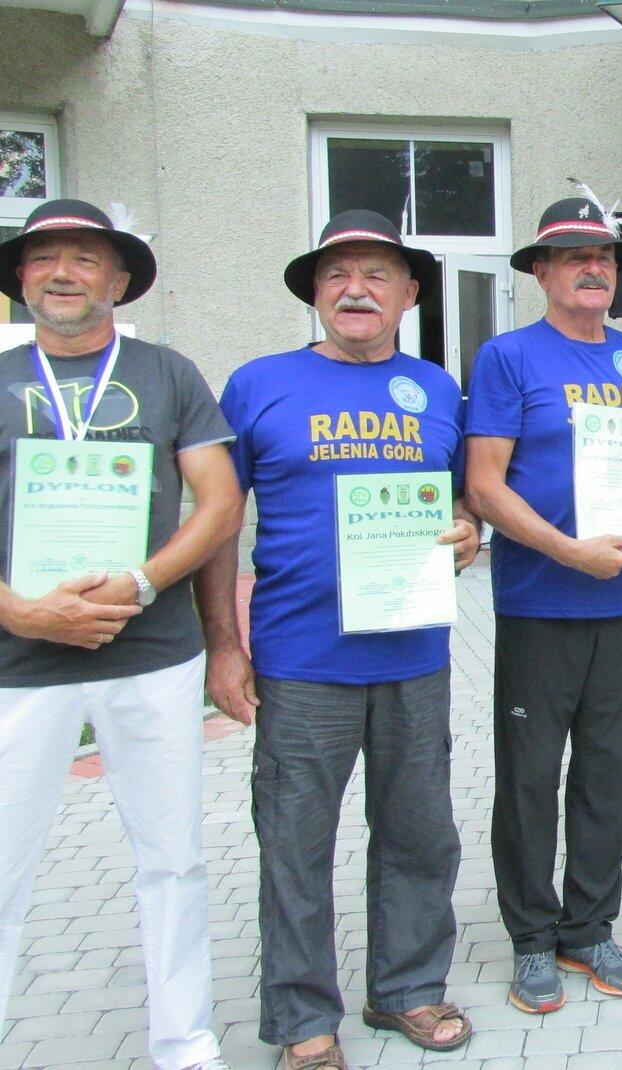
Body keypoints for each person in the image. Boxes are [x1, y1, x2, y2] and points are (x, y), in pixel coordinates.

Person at [196, 211, 480, 1068]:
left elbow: (461, 498)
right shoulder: (258, 384)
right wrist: (224, 644)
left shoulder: (436, 389)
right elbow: (217, 522)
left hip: (413, 654)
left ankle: (407, 988)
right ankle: (301, 1018)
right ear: (316, 293)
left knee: (420, 833)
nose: (356, 290)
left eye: (376, 275)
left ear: (409, 293)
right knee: (294, 842)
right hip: (301, 660)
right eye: (337, 276)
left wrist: (468, 530)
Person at [0, 199, 243, 1070]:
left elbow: (219, 502)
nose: (63, 273)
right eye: (44, 258)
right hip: (18, 662)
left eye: (84, 257)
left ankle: (186, 1045)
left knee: (172, 861)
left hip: (152, 655)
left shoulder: (167, 373)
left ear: (119, 277)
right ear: (20, 278)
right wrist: (15, 609)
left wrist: (144, 583)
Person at [465, 187, 622, 1013]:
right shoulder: (508, 358)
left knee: (606, 772)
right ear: (542, 272)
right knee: (529, 778)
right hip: (538, 604)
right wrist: (567, 551)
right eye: (575, 257)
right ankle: (530, 936)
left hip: (618, 606)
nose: (594, 269)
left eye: (605, 257)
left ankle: (589, 927)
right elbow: (485, 486)